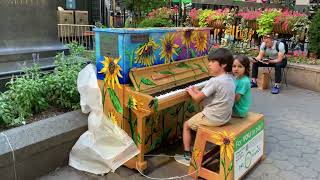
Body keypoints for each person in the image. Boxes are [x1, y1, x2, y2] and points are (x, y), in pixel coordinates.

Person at [175, 48, 235, 165]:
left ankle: (187, 155)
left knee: (186, 125)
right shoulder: (229, 78)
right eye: (209, 61)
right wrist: (198, 90)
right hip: (224, 117)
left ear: (223, 64)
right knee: (196, 118)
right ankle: (198, 145)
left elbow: (197, 99)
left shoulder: (215, 81)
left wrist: (190, 90)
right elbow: (208, 94)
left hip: (213, 118)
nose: (209, 64)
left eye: (213, 62)